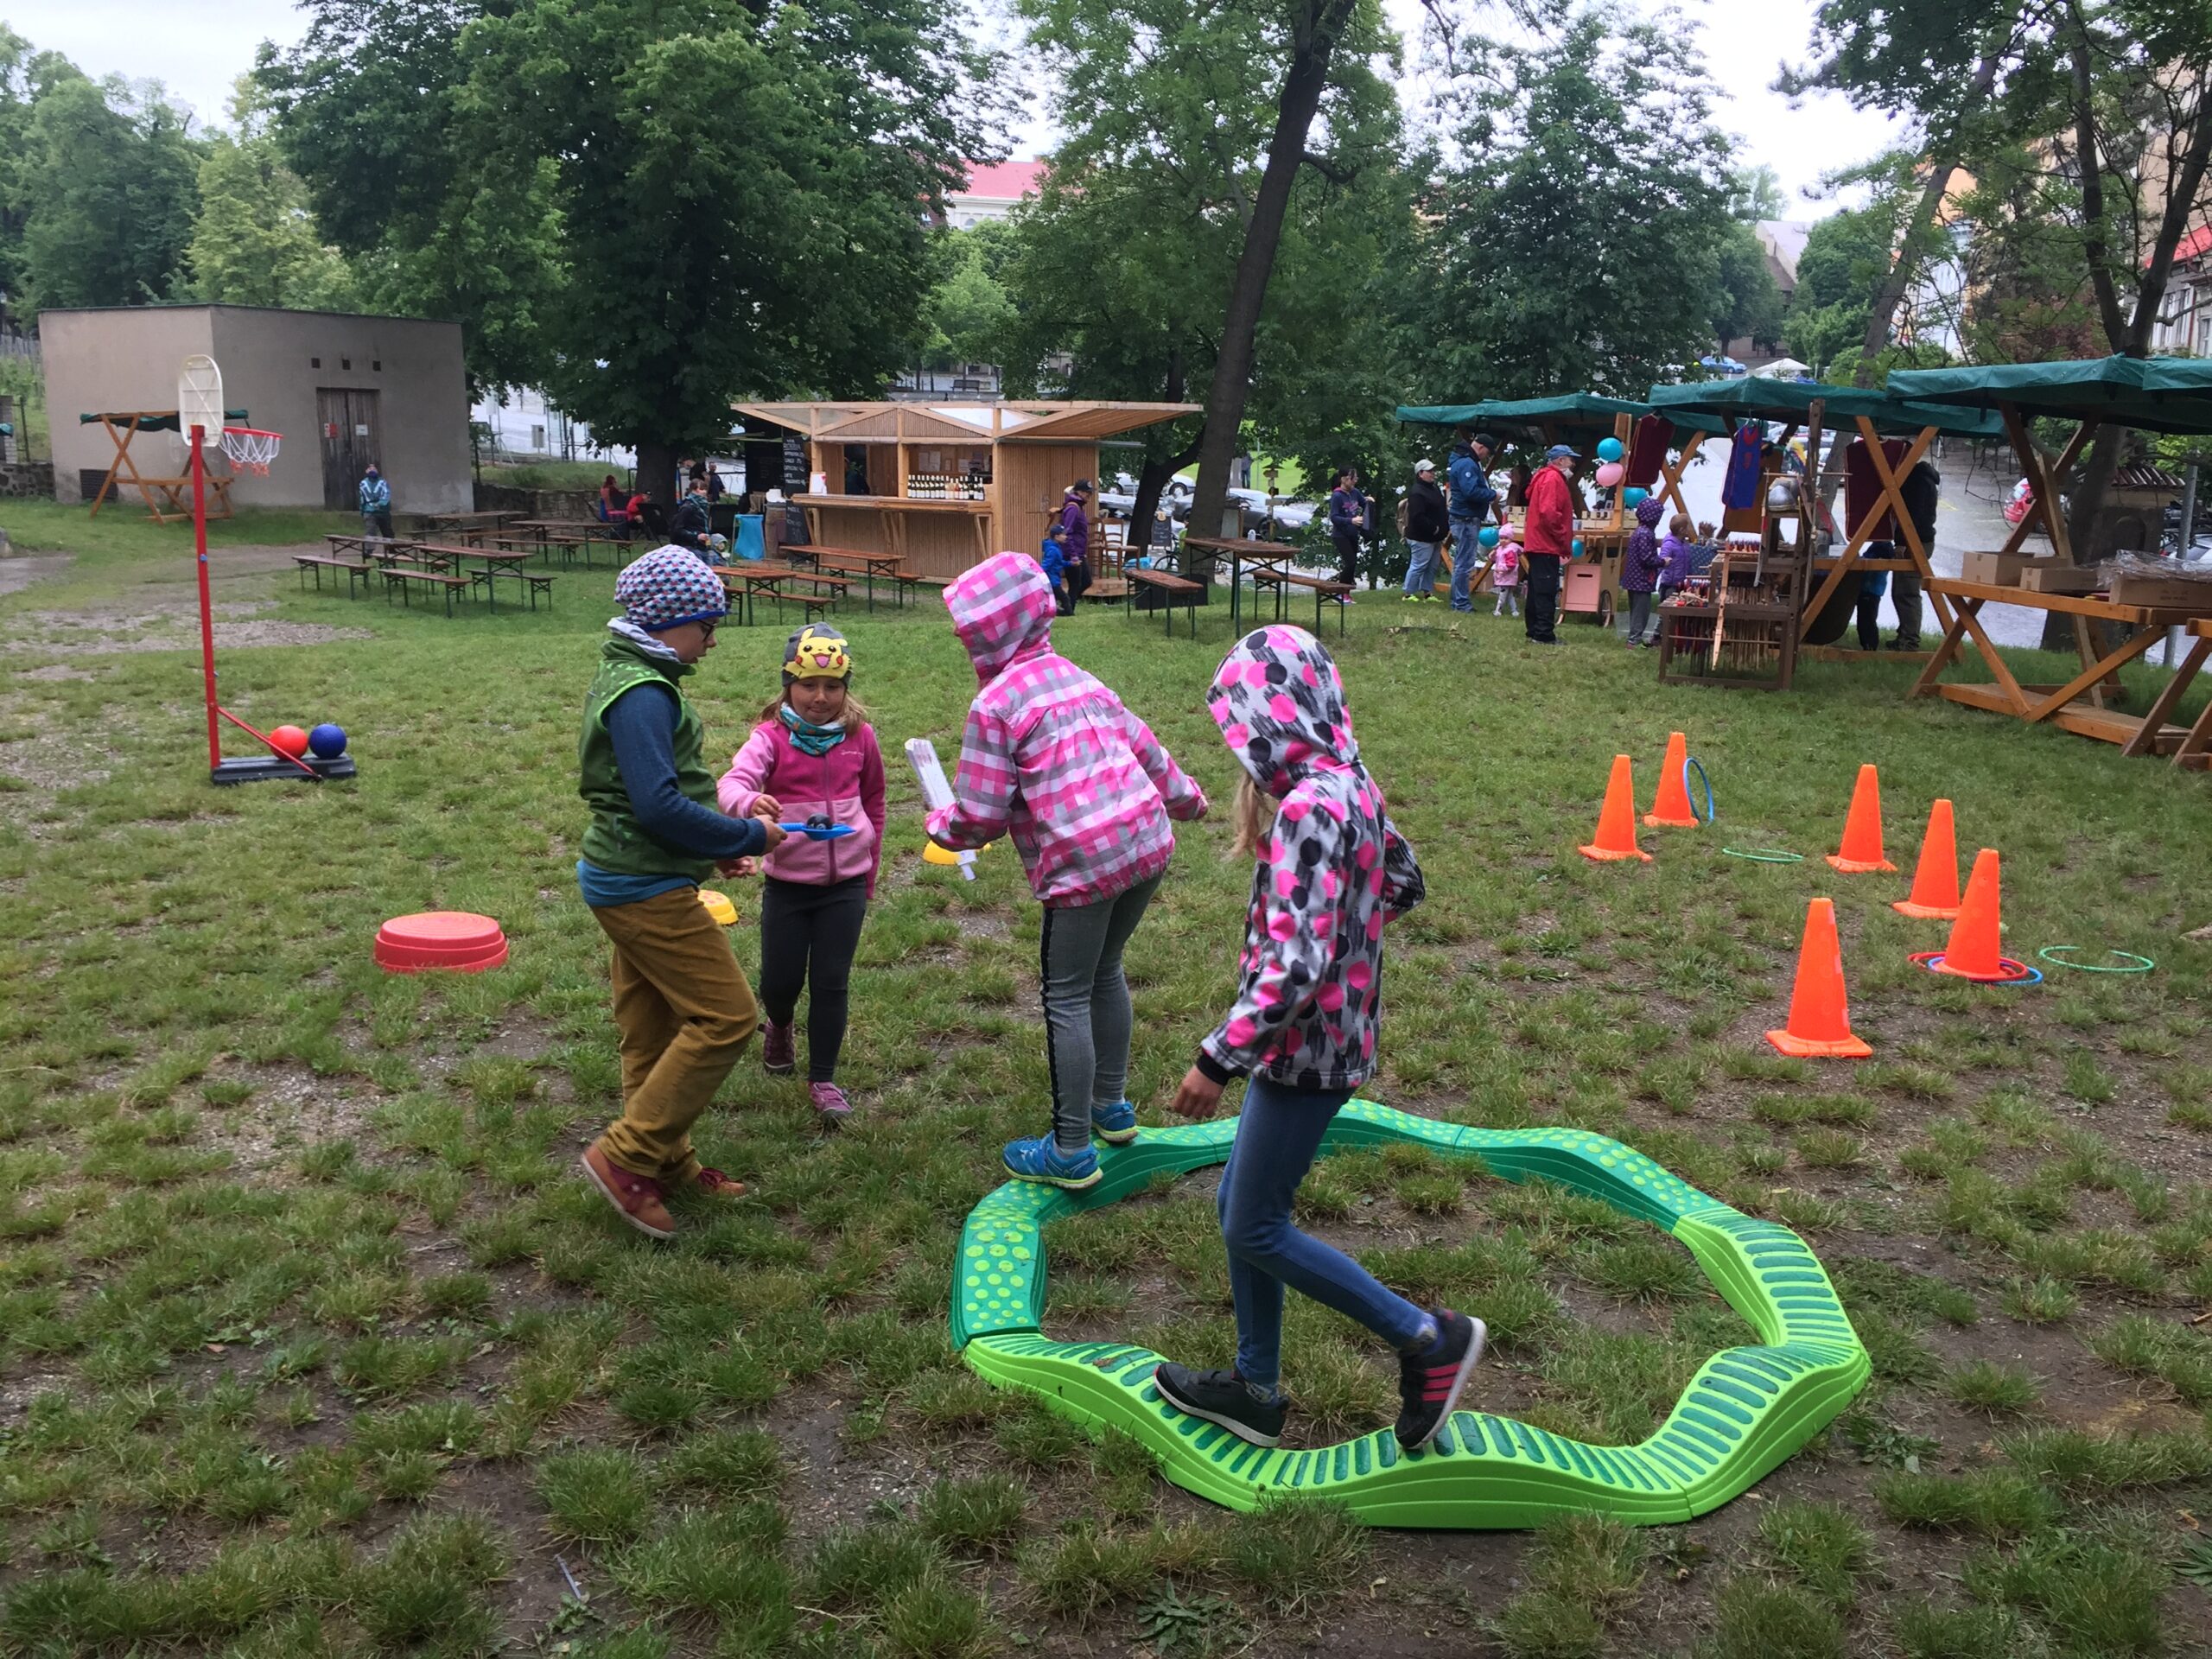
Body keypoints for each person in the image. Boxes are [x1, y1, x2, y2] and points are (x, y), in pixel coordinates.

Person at [1151, 624, 1483, 1452]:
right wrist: (1355, 934)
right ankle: (1254, 1386)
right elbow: (1404, 879)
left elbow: (1297, 963)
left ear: (1270, 720)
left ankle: (1426, 1340)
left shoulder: (1306, 807)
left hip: (1301, 1049)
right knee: (1241, 1207)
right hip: (1335, 1038)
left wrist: (1214, 1059)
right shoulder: (1351, 784)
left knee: (1252, 1224)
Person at [926, 552, 1208, 1190]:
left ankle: (1071, 1150)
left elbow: (981, 815)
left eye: (967, 628)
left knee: (1066, 994)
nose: (960, 637)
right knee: (1106, 971)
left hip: (1082, 868)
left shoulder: (994, 706)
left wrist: (942, 824)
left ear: (994, 630)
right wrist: (1187, 797)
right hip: (1145, 847)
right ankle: (1110, 1106)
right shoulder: (1079, 678)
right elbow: (1146, 745)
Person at [575, 547, 785, 1240]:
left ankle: (664, 1161)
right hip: (642, 885)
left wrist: (713, 841)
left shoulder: (637, 676)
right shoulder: (641, 693)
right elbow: (660, 807)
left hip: (634, 875)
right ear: (669, 624)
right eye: (707, 624)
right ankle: (626, 1157)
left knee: (653, 1030)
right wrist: (745, 839)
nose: (714, 638)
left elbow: (663, 807)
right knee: (726, 1018)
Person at [717, 625, 886, 1120]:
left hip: (846, 885)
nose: (821, 697)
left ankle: (824, 1078)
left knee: (832, 980)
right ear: (788, 683)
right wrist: (749, 801)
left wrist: (869, 867)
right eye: (808, 684)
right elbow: (731, 784)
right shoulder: (770, 738)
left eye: (833, 686)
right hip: (789, 885)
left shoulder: (860, 737)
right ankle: (780, 1024)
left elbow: (875, 801)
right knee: (781, 982)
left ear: (846, 688)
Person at [1521, 444, 1578, 645]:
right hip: (1546, 543)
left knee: (1537, 589)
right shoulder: (1554, 479)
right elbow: (1549, 512)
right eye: (1570, 459)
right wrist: (1562, 535)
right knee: (1546, 590)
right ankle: (1543, 634)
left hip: (1539, 542)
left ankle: (1534, 630)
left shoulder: (1544, 477)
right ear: (1560, 460)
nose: (1573, 463)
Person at [1446, 429, 1498, 612]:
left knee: (1461, 562)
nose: (1486, 457)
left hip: (1461, 517)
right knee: (1464, 563)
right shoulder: (1468, 464)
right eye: (1487, 453)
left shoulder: (1460, 461)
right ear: (1481, 447)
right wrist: (1493, 495)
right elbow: (1471, 492)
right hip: (1466, 519)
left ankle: (1457, 601)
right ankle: (1460, 603)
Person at [1893, 460, 1937, 650]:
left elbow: (1913, 515)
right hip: (1920, 540)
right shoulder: (1923, 478)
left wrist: (1903, 542)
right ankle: (1905, 636)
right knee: (1902, 591)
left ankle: (1910, 641)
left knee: (1907, 593)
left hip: (1915, 541)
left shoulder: (1917, 481)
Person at [1620, 495, 1668, 647]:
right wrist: (1663, 561)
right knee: (1641, 611)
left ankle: (1633, 638)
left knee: (1635, 610)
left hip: (1633, 579)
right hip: (1641, 580)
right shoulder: (1646, 534)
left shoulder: (1639, 531)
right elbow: (1647, 559)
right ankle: (1634, 640)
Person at [1402, 458, 1449, 602]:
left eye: (1433, 471)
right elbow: (1417, 516)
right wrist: (1434, 528)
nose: (1433, 473)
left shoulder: (1433, 488)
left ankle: (1428, 593)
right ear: (1420, 473)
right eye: (1429, 471)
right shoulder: (1417, 492)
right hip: (1421, 537)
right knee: (1419, 565)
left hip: (1435, 537)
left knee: (1432, 566)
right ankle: (1408, 593)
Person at [1327, 465, 1364, 595]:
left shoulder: (1355, 493)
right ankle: (1340, 592)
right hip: (1340, 535)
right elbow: (1334, 517)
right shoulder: (1337, 496)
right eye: (1352, 478)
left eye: (1355, 478)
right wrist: (1351, 520)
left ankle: (1346, 594)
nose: (1355, 480)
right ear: (1343, 479)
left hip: (1352, 534)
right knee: (1350, 562)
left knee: (1352, 565)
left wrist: (1369, 502)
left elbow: (1364, 503)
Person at [1058, 480, 1094, 603]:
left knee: (1086, 581)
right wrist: (1073, 555)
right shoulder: (1073, 508)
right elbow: (1067, 533)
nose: (1089, 495)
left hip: (1079, 552)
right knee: (1075, 584)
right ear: (1078, 492)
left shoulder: (1079, 506)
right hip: (1072, 553)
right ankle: (1068, 610)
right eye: (1087, 492)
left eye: (1090, 492)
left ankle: (1067, 605)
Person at [1658, 512, 1696, 610]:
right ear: (1682, 530)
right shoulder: (1669, 544)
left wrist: (1690, 580)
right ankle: (1660, 625)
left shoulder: (1685, 543)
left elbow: (1688, 563)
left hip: (1682, 584)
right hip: (1670, 586)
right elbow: (1661, 562)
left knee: (1679, 611)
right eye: (1688, 527)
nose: (1690, 529)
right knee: (1667, 613)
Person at [671, 476, 714, 556]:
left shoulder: (704, 506)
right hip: (691, 547)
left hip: (704, 546)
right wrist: (696, 536)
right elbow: (678, 529)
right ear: (693, 490)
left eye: (705, 489)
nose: (704, 492)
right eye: (701, 489)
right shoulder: (687, 507)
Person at [1040, 518, 1074, 614]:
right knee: (1065, 598)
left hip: (1055, 579)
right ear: (1056, 536)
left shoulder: (1056, 547)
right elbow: (1046, 565)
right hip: (1052, 581)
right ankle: (1069, 615)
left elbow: (1058, 562)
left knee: (1053, 601)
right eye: (1063, 534)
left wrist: (1071, 563)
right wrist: (1039, 574)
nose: (1065, 537)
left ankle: (1054, 613)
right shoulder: (1053, 550)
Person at [359, 464, 394, 545]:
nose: (372, 470)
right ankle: (368, 551)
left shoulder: (383, 482)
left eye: (374, 468)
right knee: (370, 531)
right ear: (366, 471)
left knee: (387, 532)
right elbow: (362, 498)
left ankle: (390, 550)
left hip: (383, 511)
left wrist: (380, 503)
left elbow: (386, 495)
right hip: (369, 511)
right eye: (370, 468)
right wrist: (362, 510)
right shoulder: (363, 483)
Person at [1854, 568, 1889, 652]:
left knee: (1867, 619)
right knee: (1864, 619)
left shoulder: (1880, 555)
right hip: (1869, 589)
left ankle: (1870, 646)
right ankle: (1868, 646)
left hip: (1870, 589)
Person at [1491, 538, 1522, 618]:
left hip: (1507, 576)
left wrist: (1502, 569)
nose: (1503, 540)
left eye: (1506, 538)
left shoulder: (1510, 550)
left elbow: (1511, 564)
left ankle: (1498, 610)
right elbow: (1494, 559)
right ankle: (1514, 611)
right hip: (1503, 576)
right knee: (1509, 595)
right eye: (1501, 538)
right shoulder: (1499, 549)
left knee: (1503, 594)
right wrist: (1493, 553)